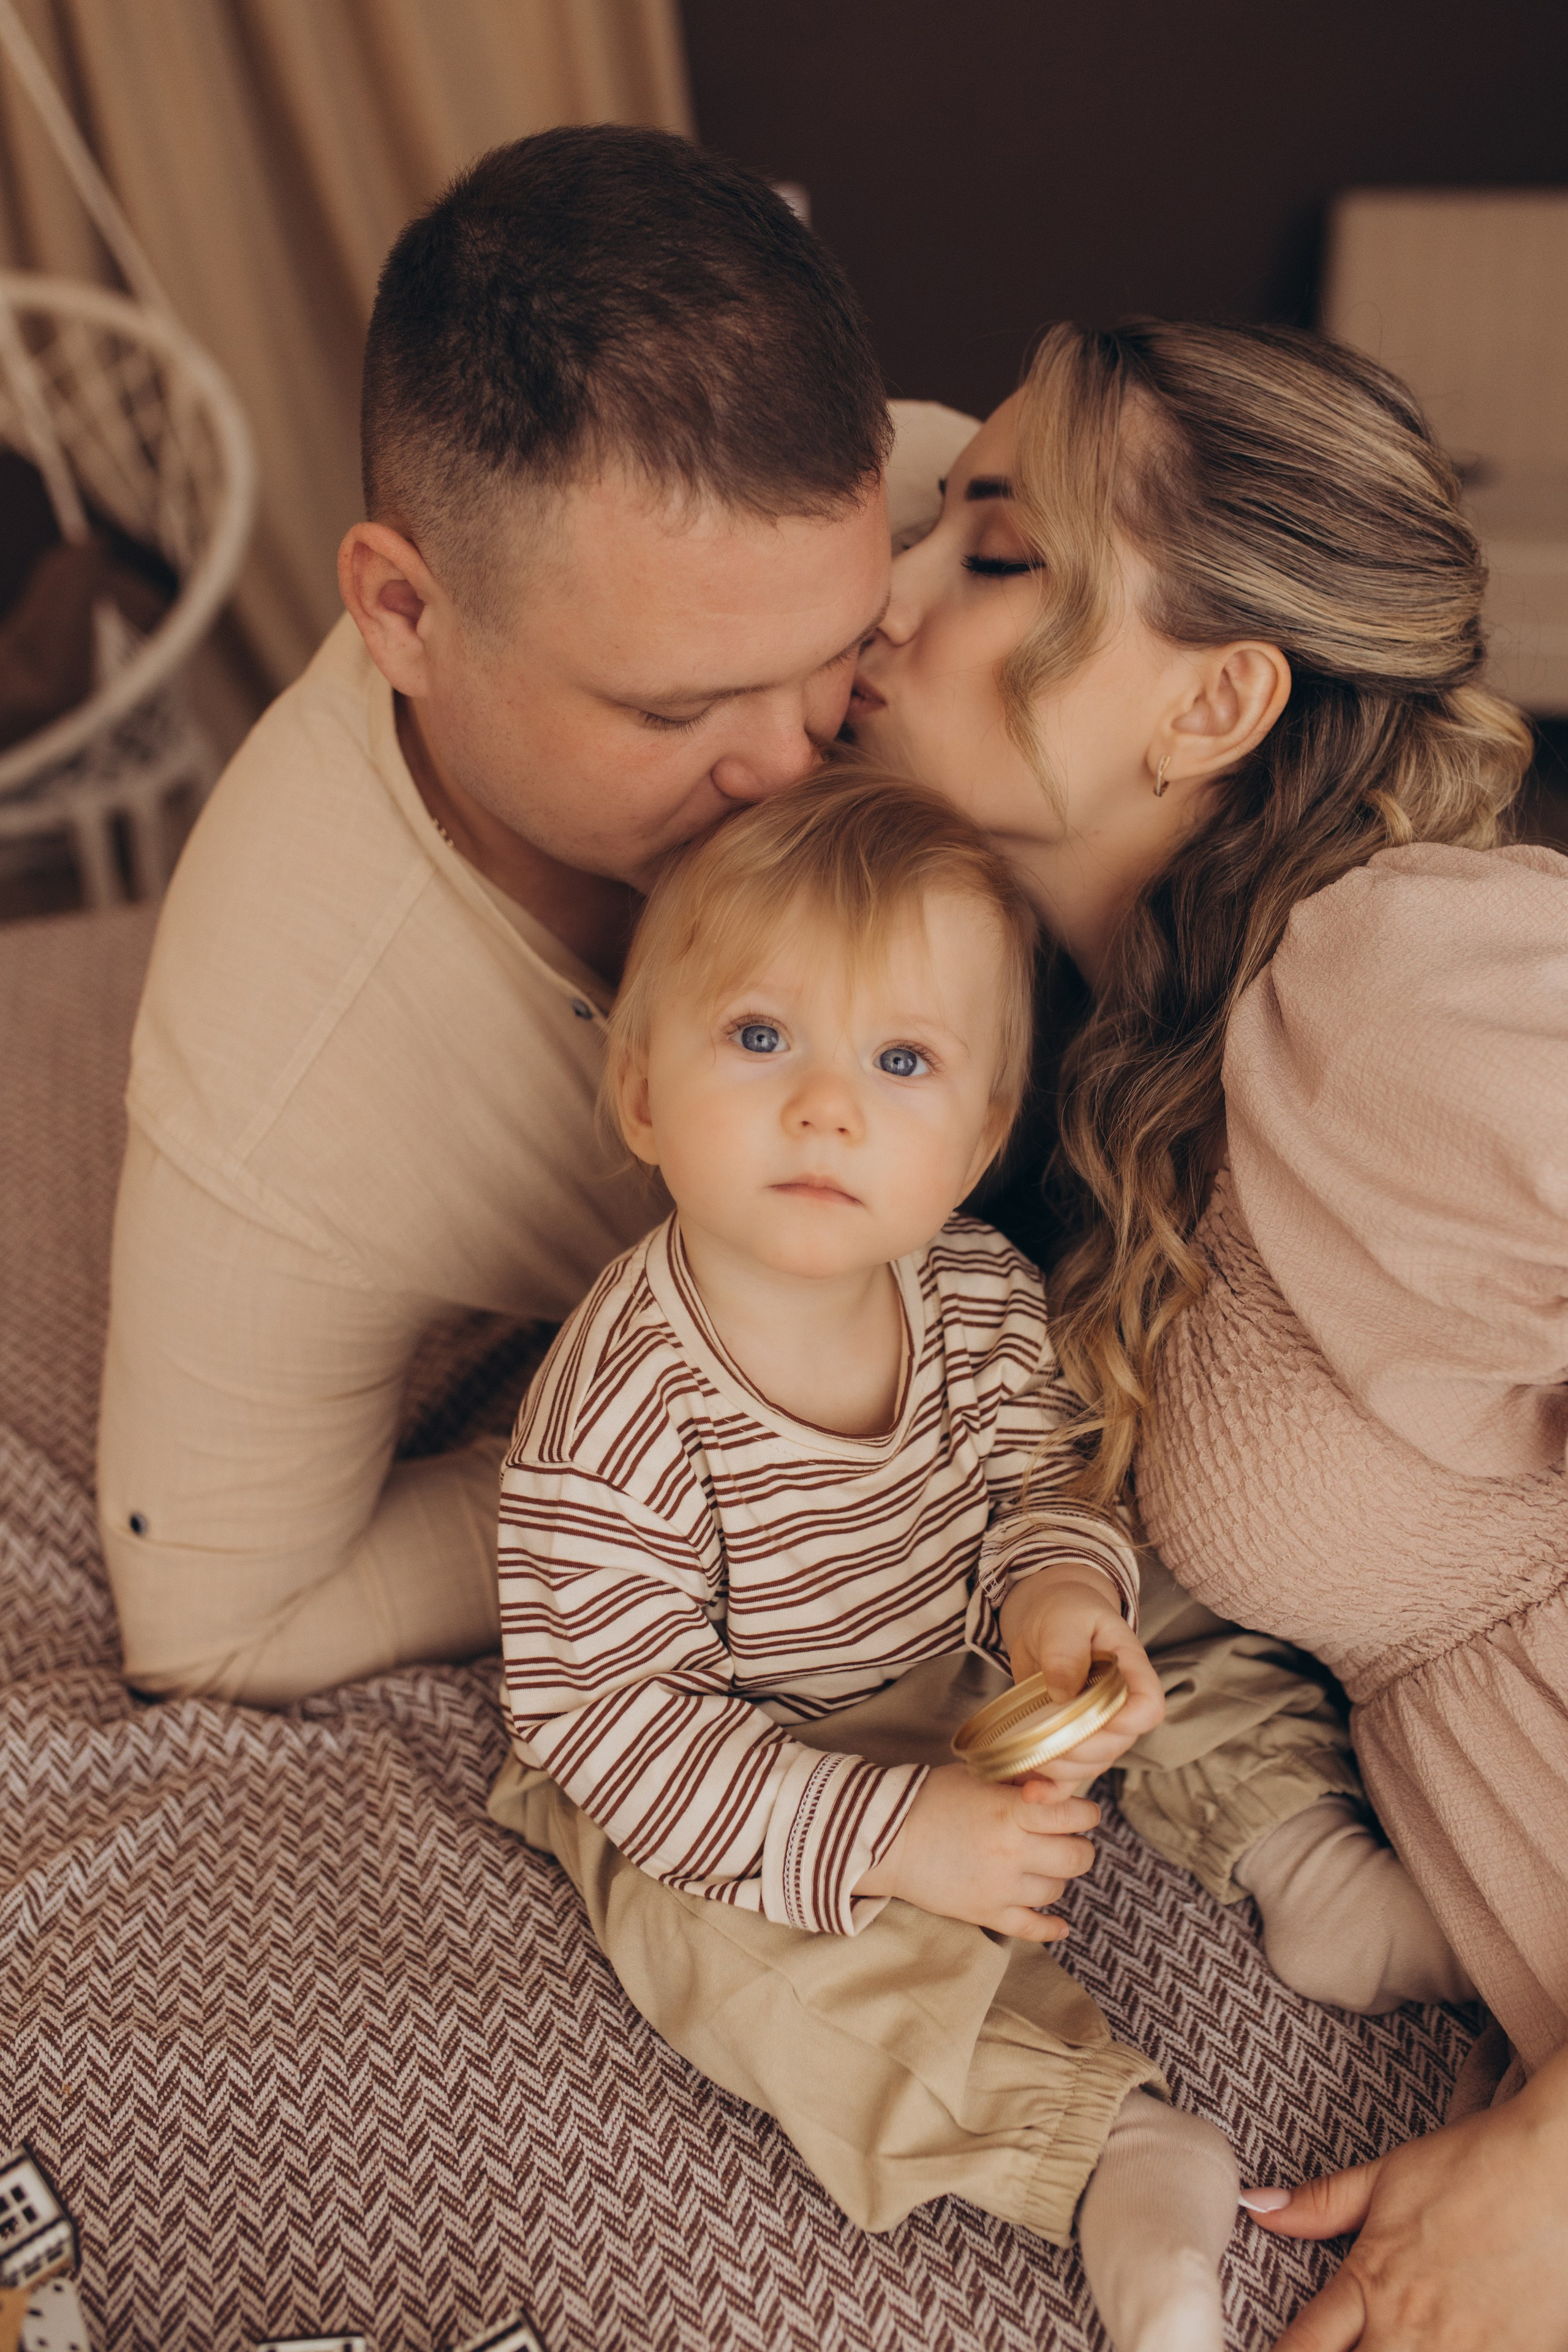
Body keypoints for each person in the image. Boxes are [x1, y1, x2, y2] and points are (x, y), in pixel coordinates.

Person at [847, 318, 1568, 2351]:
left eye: (992, 554)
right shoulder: (1129, 1062)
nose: (890, 594)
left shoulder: (1389, 984)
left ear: (1220, 697)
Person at [96, 125, 906, 1704]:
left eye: (843, 652)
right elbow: (220, 1626)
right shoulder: (284, 1082)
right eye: (677, 712)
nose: (796, 760)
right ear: (404, 614)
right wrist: (693, 1471)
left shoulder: (967, 522)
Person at [489, 772, 1242, 2352]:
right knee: (729, 1962)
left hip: (943, 1669)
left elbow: (1039, 1485)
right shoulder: (621, 1397)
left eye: (900, 1063)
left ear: (975, 1142)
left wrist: (1057, 1612)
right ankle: (1104, 2142)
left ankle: (1286, 1837)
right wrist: (891, 1835)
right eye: (762, 1040)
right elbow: (611, 1725)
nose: (827, 1106)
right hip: (716, 1756)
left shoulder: (975, 1293)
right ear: (639, 1091)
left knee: (1188, 1606)